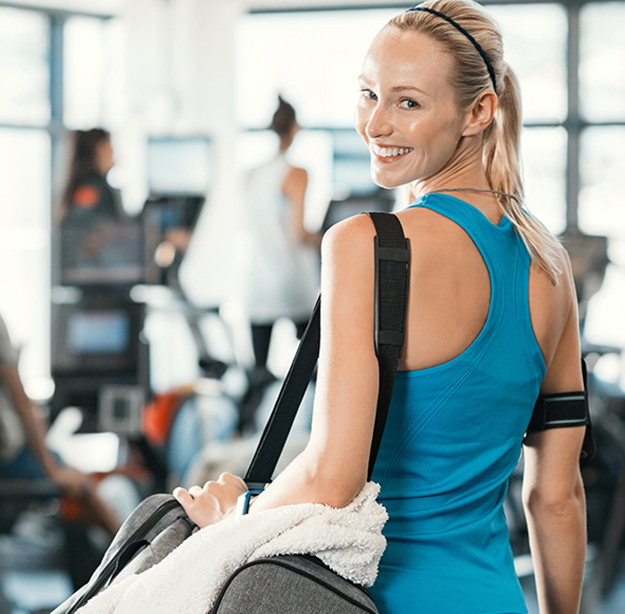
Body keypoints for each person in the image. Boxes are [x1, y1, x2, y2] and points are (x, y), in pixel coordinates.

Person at [174, 1, 587, 612]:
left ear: (478, 111)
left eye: (408, 102)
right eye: (368, 94)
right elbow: (556, 499)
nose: (375, 125)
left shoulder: (364, 243)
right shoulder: (549, 265)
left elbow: (331, 479)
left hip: (378, 597)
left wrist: (234, 515)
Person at [0, 311, 121, 536]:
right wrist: (51, 470)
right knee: (80, 483)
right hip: (7, 457)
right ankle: (135, 555)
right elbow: (23, 405)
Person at [239, 95, 321, 376]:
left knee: (258, 373)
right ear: (295, 128)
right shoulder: (297, 173)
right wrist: (327, 238)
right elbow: (298, 233)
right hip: (291, 282)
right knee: (312, 368)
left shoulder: (251, 174)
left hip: (258, 282)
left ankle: (250, 420)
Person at [59, 128, 122, 224]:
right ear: (98, 150)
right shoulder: (92, 189)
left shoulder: (89, 186)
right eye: (109, 149)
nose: (113, 157)